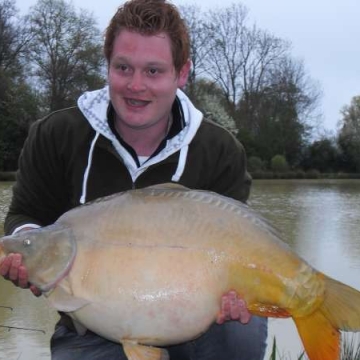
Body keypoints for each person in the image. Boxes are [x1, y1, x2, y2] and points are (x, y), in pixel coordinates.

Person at [0, 0, 268, 359]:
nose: (136, 85)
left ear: (182, 72)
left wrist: (240, 295)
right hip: (92, 326)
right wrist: (27, 252)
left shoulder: (220, 150)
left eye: (153, 71)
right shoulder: (56, 135)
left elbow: (239, 242)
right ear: (107, 66)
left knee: (241, 330)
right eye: (123, 67)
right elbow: (25, 215)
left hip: (196, 321)